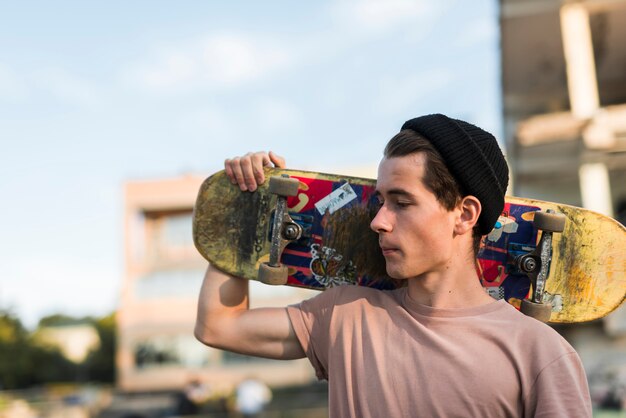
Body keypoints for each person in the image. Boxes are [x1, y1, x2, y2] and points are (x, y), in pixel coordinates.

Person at [195, 114, 592, 417]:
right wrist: (248, 212)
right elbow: (219, 326)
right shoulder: (345, 316)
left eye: (401, 203)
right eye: (380, 200)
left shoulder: (539, 354)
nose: (378, 221)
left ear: (465, 214)